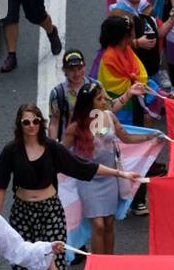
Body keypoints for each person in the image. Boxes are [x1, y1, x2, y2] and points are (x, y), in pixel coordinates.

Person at [0, 104, 111, 270]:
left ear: (41, 122)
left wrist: (120, 174)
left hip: (50, 211)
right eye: (26, 122)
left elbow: (82, 166)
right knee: (28, 267)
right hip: (23, 214)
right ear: (19, 125)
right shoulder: (11, 151)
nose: (31, 126)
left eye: (35, 121)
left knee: (54, 265)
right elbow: (1, 186)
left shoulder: (52, 148)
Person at [64, 84, 157, 256]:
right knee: (98, 225)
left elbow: (126, 138)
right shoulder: (75, 128)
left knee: (108, 222)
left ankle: (109, 260)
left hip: (110, 178)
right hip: (88, 180)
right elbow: (62, 153)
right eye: (99, 99)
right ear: (88, 104)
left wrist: (150, 137)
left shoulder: (109, 117)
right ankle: (99, 264)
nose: (103, 102)